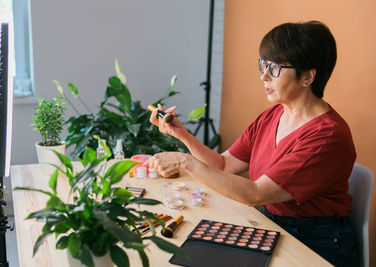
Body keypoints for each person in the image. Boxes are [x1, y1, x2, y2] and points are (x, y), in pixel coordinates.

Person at [149, 21, 358, 267]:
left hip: (315, 243)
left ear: (308, 77)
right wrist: (182, 135)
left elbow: (255, 194)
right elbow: (223, 165)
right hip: (272, 225)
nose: (264, 75)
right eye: (264, 64)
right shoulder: (273, 115)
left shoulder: (326, 136)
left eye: (276, 67)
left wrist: (187, 163)